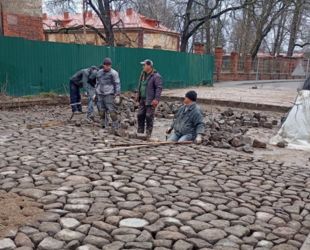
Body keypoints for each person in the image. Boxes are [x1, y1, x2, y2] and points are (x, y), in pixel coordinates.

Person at [136, 59, 163, 138]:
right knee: (140, 115)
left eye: (144, 65)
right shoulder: (143, 74)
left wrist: (156, 99)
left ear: (149, 66)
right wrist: (138, 94)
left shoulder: (156, 76)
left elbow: (159, 88)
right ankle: (140, 132)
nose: (143, 67)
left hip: (150, 100)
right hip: (142, 99)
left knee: (149, 116)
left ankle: (148, 133)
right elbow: (140, 85)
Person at [95, 57, 121, 133]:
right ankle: (103, 124)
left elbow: (117, 84)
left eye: (109, 65)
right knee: (101, 110)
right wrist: (95, 93)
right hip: (100, 93)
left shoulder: (114, 73)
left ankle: (115, 125)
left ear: (111, 65)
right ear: (103, 65)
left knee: (111, 110)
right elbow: (97, 83)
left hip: (109, 94)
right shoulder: (99, 72)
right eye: (106, 65)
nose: (107, 66)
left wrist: (117, 95)